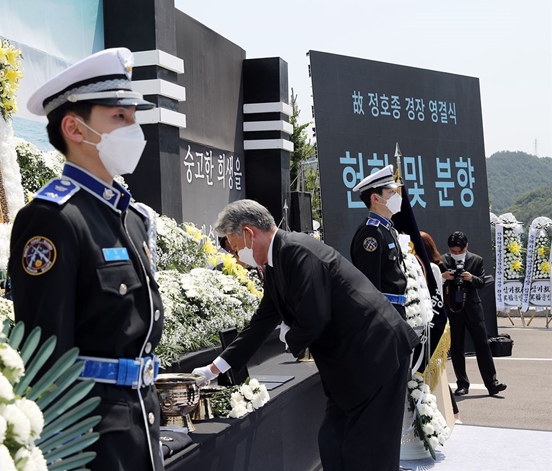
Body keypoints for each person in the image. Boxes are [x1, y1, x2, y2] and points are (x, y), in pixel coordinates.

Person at [9, 48, 165, 471]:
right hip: (91, 434)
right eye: (119, 117)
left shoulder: (130, 217)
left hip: (140, 418)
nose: (134, 129)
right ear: (74, 128)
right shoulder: (53, 218)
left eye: (134, 116)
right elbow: (44, 356)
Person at [193, 199, 420, 471]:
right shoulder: (277, 261)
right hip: (351, 365)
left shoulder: (297, 251)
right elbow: (261, 323)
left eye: (237, 247)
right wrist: (212, 369)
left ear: (249, 233)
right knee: (332, 443)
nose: (239, 258)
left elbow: (314, 318)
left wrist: (291, 338)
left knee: (367, 453)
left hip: (375, 356)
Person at [440, 231, 507, 397]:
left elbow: (482, 282)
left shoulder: (476, 260)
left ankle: (492, 383)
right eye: (453, 251)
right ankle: (462, 383)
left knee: (483, 345)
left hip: (473, 309)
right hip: (453, 308)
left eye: (459, 251)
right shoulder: (442, 261)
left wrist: (471, 278)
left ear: (466, 247)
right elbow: (433, 283)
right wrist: (443, 277)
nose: (456, 255)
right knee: (456, 347)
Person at [349, 165, 407, 318]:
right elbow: (370, 285)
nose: (397, 196)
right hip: (385, 314)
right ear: (375, 198)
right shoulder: (371, 233)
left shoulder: (387, 229)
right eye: (391, 192)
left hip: (396, 310)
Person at [420, 231, 460, 423]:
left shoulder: (434, 269)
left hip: (433, 322)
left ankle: (452, 412)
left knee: (437, 371)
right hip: (424, 324)